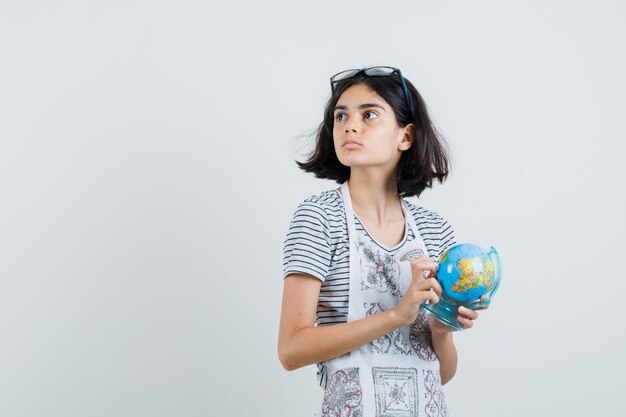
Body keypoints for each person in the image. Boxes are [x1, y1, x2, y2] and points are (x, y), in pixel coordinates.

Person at [278, 66, 483, 417]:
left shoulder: (436, 232)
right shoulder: (319, 218)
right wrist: (396, 316)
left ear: (405, 136)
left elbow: (442, 373)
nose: (349, 125)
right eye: (340, 116)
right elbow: (291, 349)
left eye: (368, 114)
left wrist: (441, 327)